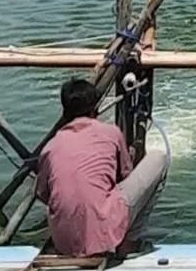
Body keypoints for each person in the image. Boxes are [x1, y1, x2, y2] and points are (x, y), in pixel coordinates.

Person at [33, 77, 167, 257]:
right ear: (95, 108)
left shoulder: (51, 146)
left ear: (65, 111)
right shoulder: (111, 133)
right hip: (103, 234)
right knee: (159, 158)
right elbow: (126, 175)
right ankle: (129, 242)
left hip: (63, 244)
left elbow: (42, 194)